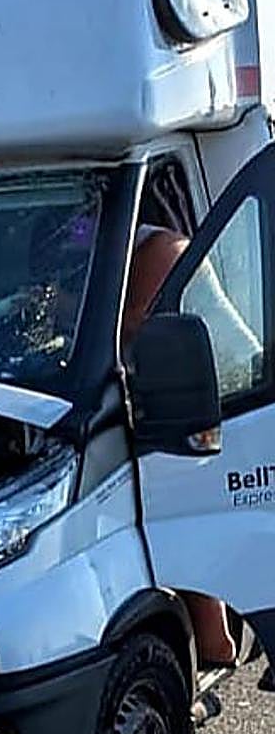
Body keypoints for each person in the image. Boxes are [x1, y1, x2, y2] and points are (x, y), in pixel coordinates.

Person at [123, 219, 238, 668]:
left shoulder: (161, 249)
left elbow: (135, 322)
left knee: (180, 497)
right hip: (186, 386)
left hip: (228, 389)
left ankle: (215, 640)